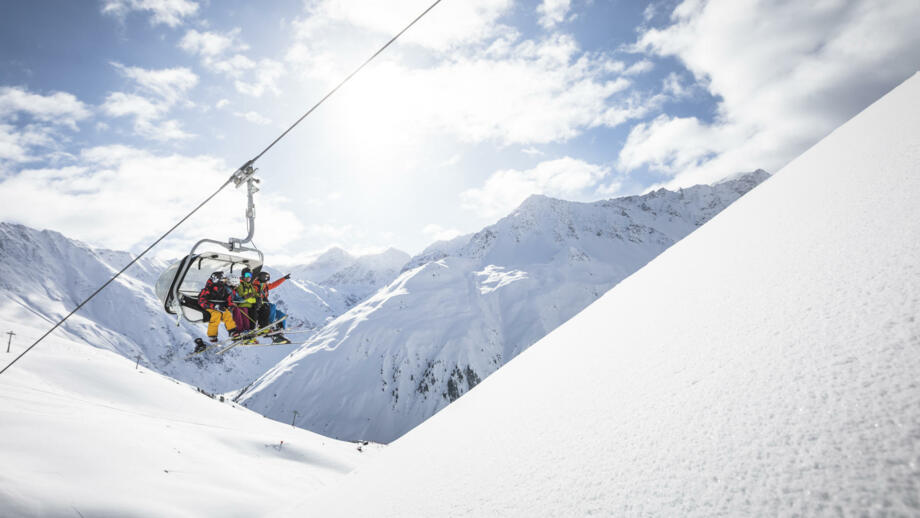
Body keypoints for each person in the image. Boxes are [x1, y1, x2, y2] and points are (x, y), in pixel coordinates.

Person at [196, 271, 239, 351]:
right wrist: (214, 306)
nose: (224, 281)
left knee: (227, 314)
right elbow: (201, 301)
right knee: (216, 315)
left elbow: (228, 298)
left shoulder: (223, 288)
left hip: (219, 306)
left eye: (224, 280)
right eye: (222, 280)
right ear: (217, 280)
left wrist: (230, 305)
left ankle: (232, 331)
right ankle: (212, 335)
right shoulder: (208, 288)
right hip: (209, 307)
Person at [254, 270, 291, 344]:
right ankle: (269, 325)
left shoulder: (265, 286)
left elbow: (274, 284)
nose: (267, 280)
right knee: (272, 306)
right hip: (259, 306)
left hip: (266, 305)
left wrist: (284, 278)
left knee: (281, 315)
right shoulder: (254, 286)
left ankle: (279, 333)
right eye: (266, 278)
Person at [233, 268, 265, 343]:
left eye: (250, 275)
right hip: (242, 305)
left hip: (250, 306)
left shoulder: (250, 285)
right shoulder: (240, 285)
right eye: (247, 275)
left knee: (252, 321)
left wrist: (258, 297)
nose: (249, 277)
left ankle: (250, 337)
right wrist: (253, 298)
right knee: (246, 320)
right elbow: (242, 296)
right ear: (243, 275)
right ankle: (243, 336)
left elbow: (254, 294)